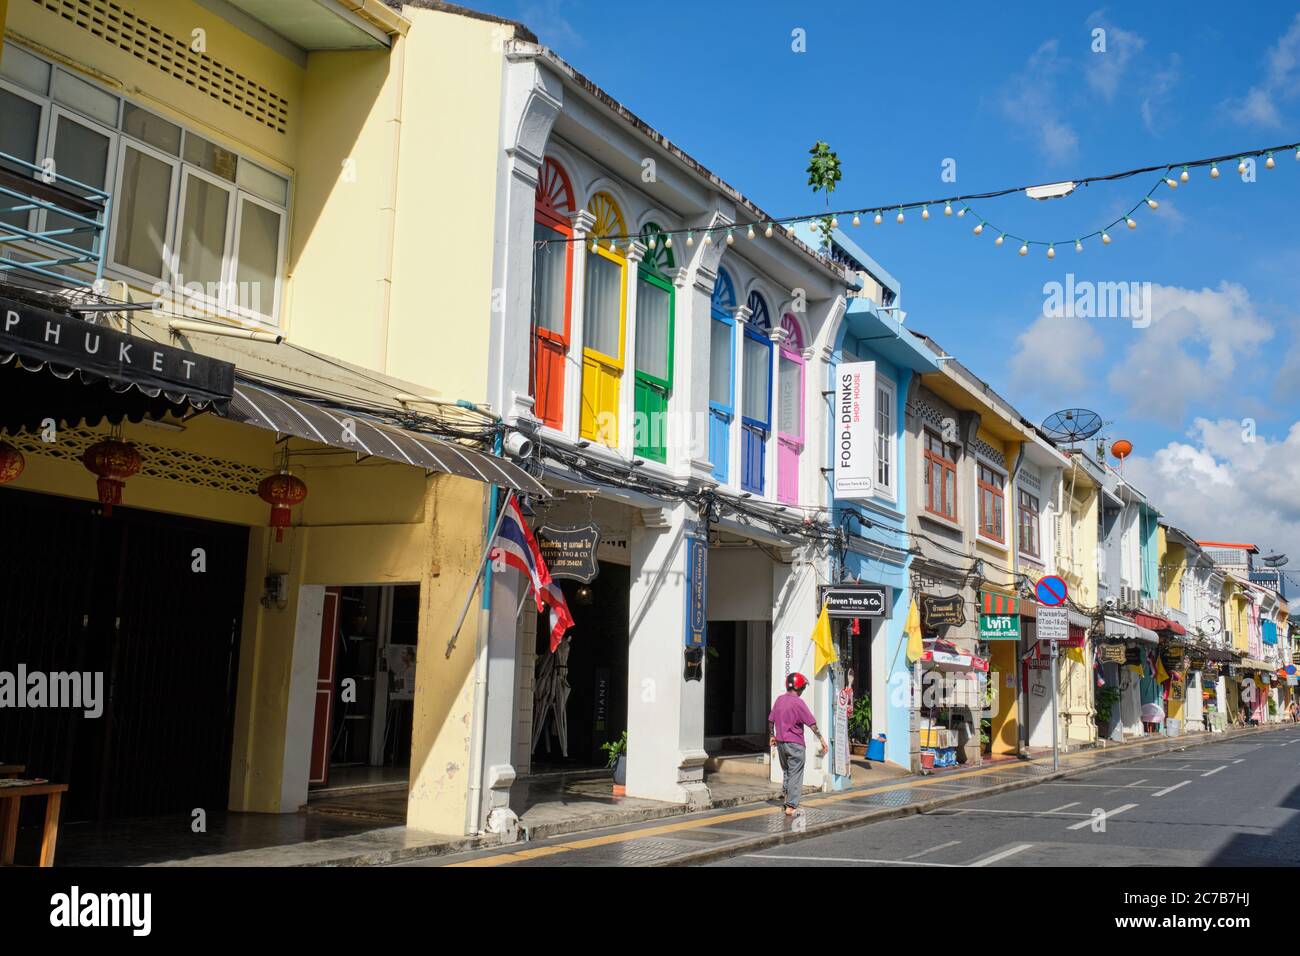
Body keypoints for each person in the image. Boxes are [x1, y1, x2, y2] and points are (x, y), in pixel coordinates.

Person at [769, 672, 828, 816]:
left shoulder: (779, 700)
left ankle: (787, 799)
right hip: (795, 744)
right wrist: (821, 739)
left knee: (787, 772)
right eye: (803, 688)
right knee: (796, 773)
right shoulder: (798, 702)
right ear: (799, 687)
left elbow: (771, 720)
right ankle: (791, 806)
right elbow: (811, 723)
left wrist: (772, 735)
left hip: (781, 743)